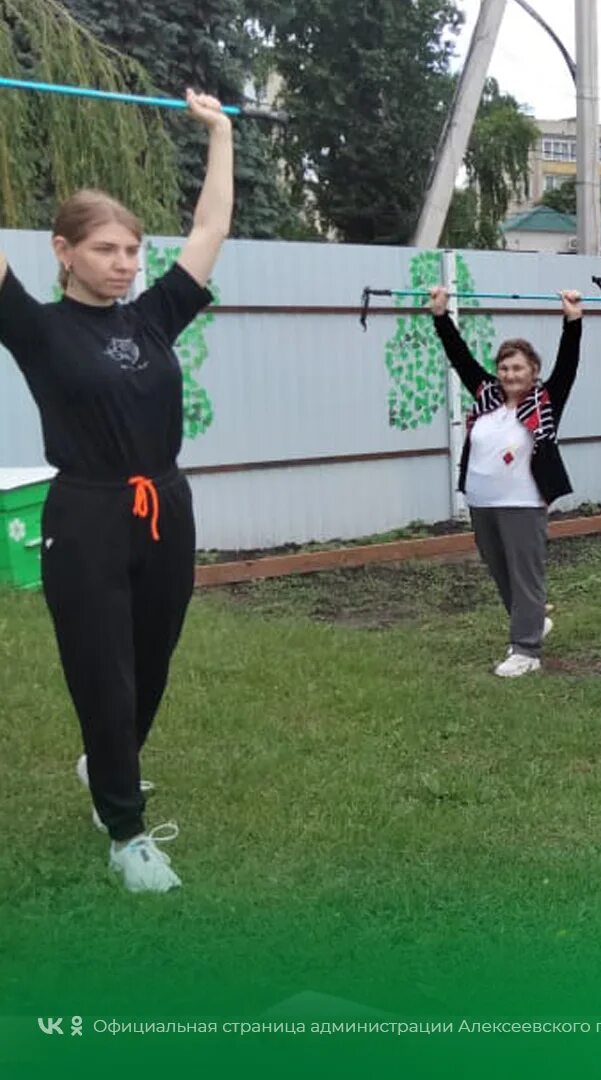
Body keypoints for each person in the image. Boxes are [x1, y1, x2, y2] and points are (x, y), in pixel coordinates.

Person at [0, 90, 232, 892]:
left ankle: (109, 761)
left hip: (165, 506)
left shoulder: (154, 317)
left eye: (132, 251)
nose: (126, 265)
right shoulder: (34, 327)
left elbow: (209, 230)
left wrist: (221, 133)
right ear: (64, 251)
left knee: (152, 658)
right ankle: (126, 835)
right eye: (106, 250)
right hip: (88, 511)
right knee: (104, 668)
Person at [431, 287, 583, 677]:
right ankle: (532, 624)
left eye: (518, 368)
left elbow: (568, 362)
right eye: (504, 368)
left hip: (523, 502)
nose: (509, 375)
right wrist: (440, 316)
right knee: (500, 572)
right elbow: (459, 356)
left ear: (533, 371)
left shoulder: (546, 400)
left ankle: (527, 651)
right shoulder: (486, 396)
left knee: (525, 575)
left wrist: (572, 320)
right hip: (482, 502)